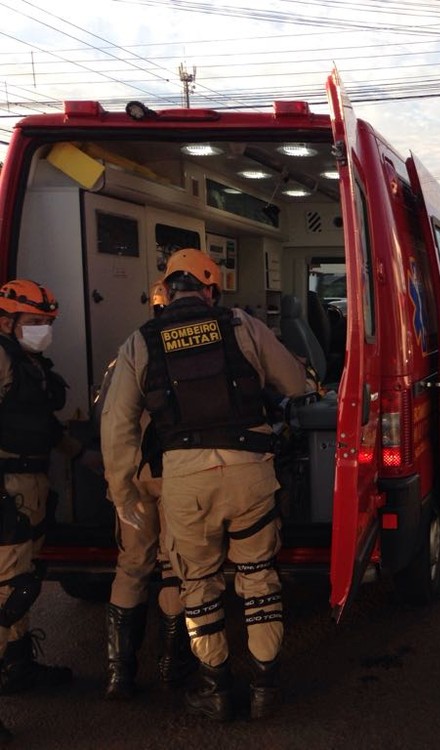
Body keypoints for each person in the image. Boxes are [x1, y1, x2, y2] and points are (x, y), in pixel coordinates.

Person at [101, 249, 308, 722]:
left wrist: (123, 491)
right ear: (211, 289)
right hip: (249, 469)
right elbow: (295, 383)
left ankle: (214, 690)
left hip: (183, 477)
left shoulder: (142, 340)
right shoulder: (242, 325)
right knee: (257, 577)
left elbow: (117, 423)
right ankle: (264, 687)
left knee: (197, 582)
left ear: (166, 291)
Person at [99, 278, 195, 701]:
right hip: (179, 474)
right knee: (174, 567)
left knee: (132, 565)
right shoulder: (202, 346)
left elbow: (114, 423)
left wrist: (119, 490)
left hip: (137, 477)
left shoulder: (131, 351)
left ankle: (120, 675)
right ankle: (173, 666)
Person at [0, 279, 74, 738]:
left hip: (32, 481)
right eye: (33, 323)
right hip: (7, 486)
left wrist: (84, 457)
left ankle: (17, 666)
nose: (42, 330)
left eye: (47, 323)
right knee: (7, 591)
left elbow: (41, 425)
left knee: (23, 584)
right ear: (7, 322)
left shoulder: (29, 364)